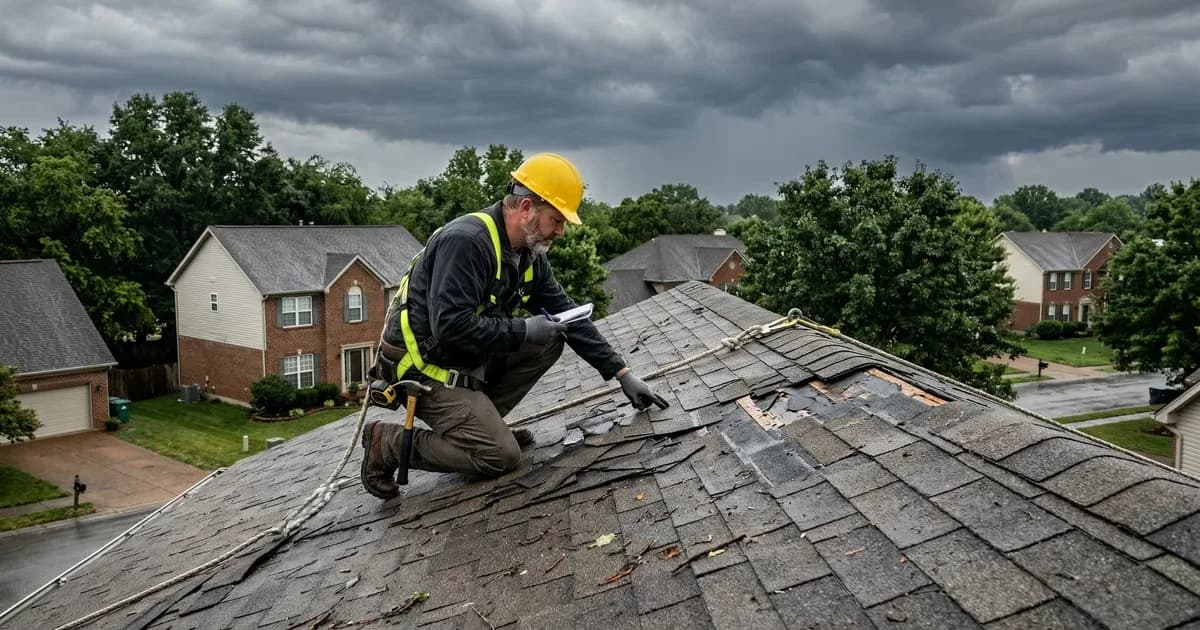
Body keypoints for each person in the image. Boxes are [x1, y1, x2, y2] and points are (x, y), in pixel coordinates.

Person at [360, 153, 669, 499]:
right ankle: (387, 443)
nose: (560, 231)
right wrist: (523, 330)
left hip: (463, 356)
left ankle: (482, 425)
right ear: (526, 208)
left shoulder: (528, 256)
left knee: (550, 337)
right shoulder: (467, 242)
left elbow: (566, 312)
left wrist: (621, 372)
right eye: (556, 220)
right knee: (499, 456)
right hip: (424, 367)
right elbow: (450, 327)